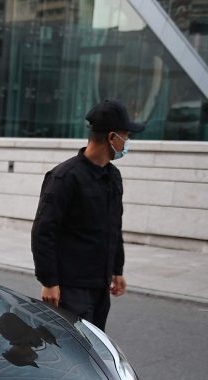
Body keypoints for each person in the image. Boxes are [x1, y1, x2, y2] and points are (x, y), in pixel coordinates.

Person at [30, 99, 145, 331]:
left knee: (94, 346)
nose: (128, 142)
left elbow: (114, 226)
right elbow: (43, 232)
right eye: (126, 136)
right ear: (112, 138)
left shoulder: (113, 176)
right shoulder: (65, 177)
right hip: (71, 287)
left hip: (99, 285)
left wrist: (117, 269)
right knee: (71, 350)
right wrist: (49, 282)